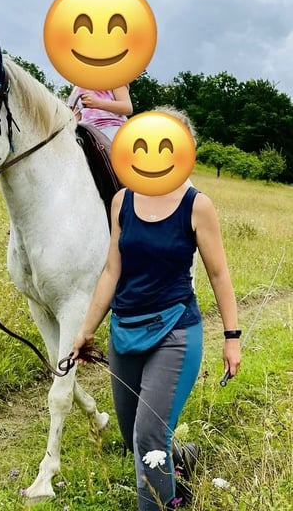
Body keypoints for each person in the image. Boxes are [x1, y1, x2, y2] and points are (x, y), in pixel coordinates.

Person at [72, 107, 241, 511]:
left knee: (148, 438)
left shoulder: (197, 206)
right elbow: (112, 270)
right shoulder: (121, 201)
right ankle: (183, 457)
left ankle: (165, 502)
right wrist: (86, 329)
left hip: (175, 330)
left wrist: (232, 338)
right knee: (136, 435)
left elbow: (218, 274)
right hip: (124, 331)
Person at [68, 85, 133, 140]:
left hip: (112, 126)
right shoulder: (78, 88)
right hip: (85, 131)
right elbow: (76, 115)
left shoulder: (116, 81)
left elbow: (127, 108)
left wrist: (98, 103)